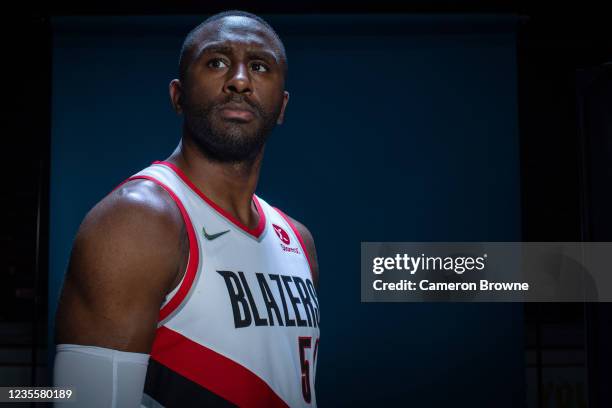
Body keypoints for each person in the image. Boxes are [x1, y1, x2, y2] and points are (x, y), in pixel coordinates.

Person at [54, 10, 320, 408]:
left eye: (260, 66)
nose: (240, 81)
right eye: (217, 62)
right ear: (178, 96)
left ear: (281, 107)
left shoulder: (298, 240)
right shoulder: (138, 221)